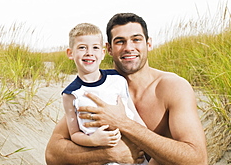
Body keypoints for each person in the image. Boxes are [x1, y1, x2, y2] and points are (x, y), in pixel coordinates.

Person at [45, 13, 208, 165]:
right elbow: (52, 154)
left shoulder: (172, 87)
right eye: (120, 41)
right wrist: (109, 154)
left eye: (136, 39)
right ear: (108, 49)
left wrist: (123, 123)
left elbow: (198, 159)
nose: (128, 48)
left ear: (148, 44)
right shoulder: (98, 88)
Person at [62, 23, 148, 165]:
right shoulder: (71, 94)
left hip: (134, 154)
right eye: (82, 47)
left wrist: (145, 140)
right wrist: (92, 140)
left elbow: (133, 114)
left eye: (95, 47)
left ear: (102, 53)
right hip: (103, 157)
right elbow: (74, 134)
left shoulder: (117, 79)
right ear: (70, 53)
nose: (89, 52)